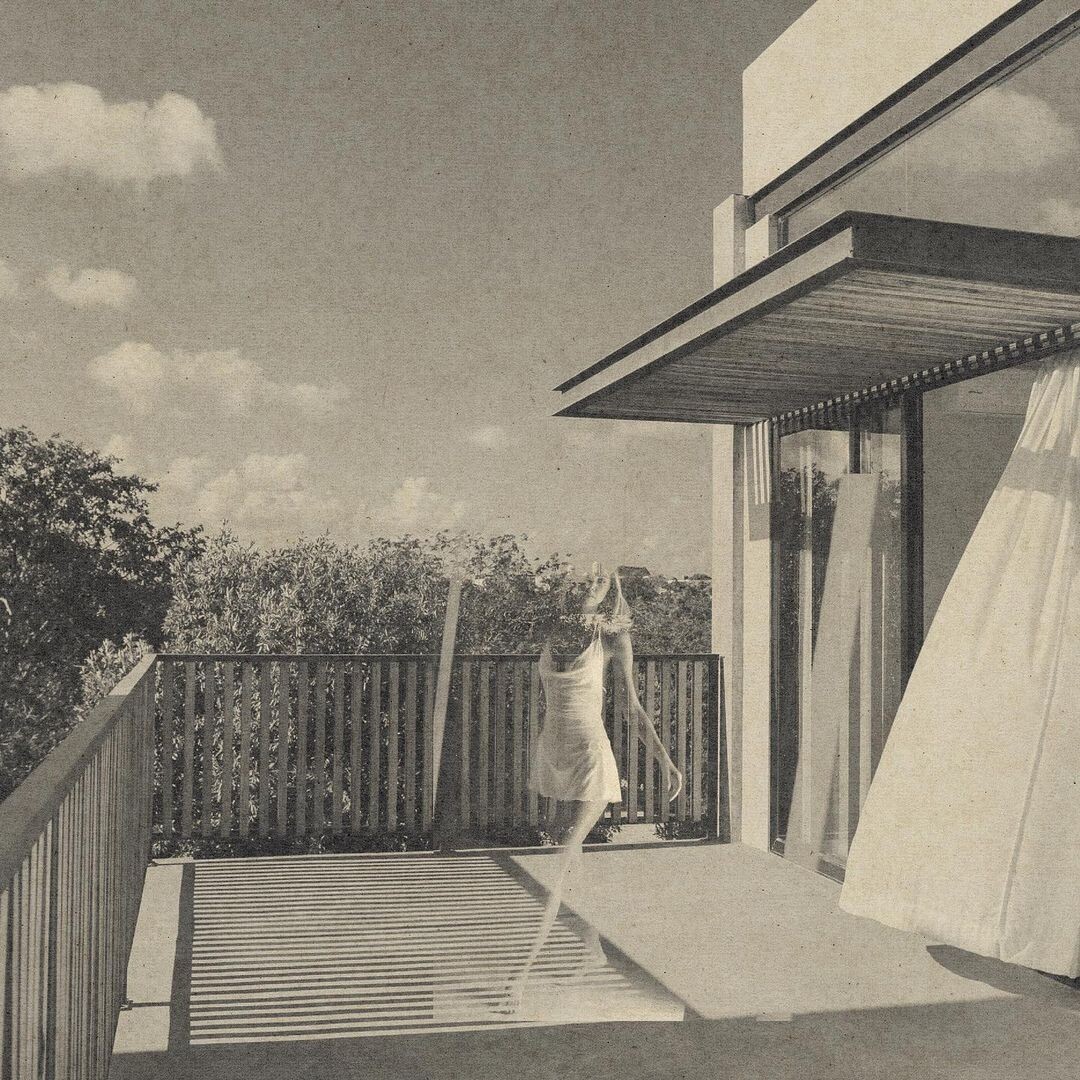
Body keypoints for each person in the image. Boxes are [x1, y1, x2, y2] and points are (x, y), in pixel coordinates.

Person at [499, 562, 682, 1011]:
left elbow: (631, 709)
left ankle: (519, 977)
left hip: (590, 759)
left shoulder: (613, 638)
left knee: (560, 861)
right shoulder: (550, 630)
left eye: (599, 579)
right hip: (554, 754)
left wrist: (665, 761)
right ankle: (593, 949)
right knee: (569, 861)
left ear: (610, 588)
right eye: (583, 576)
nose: (589, 583)